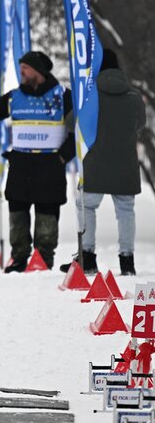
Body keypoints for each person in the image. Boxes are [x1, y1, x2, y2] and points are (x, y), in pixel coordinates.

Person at [0, 50, 75, 273]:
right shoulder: (15, 97)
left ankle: (43, 259)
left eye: (25, 69)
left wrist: (62, 157)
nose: (21, 73)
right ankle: (19, 258)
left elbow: (77, 132)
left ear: (38, 72)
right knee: (17, 211)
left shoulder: (63, 96)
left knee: (47, 214)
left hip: (50, 166)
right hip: (21, 165)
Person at [59, 49, 146, 276]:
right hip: (126, 164)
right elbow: (140, 124)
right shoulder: (134, 97)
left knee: (86, 207)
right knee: (126, 211)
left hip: (95, 163)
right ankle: (127, 261)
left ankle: (87, 257)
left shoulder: (89, 97)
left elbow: (70, 124)